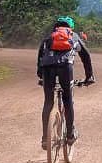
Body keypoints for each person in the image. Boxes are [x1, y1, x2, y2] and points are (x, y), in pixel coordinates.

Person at [36, 15, 94, 150]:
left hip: (47, 69)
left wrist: (41, 75)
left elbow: (40, 55)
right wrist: (89, 77)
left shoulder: (49, 37)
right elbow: (86, 56)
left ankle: (45, 139)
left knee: (48, 102)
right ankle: (69, 135)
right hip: (65, 68)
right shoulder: (73, 36)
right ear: (71, 27)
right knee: (67, 100)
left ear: (56, 26)